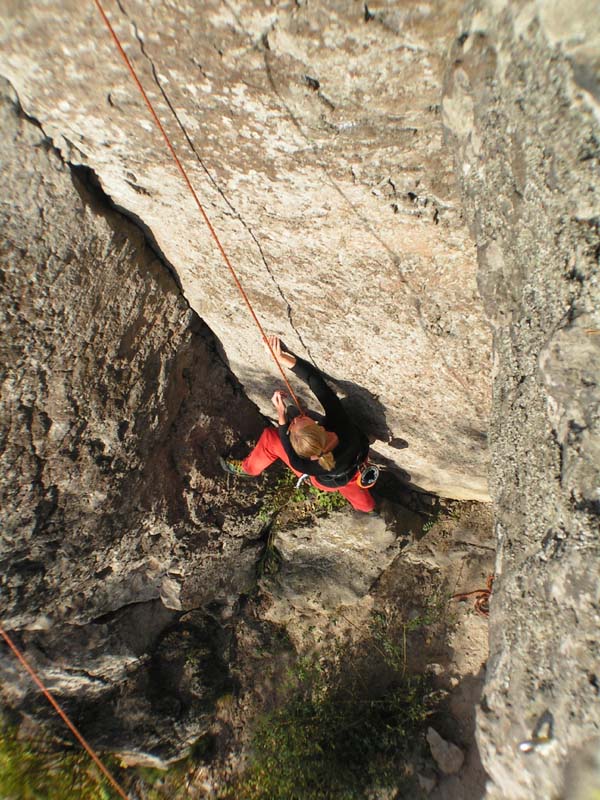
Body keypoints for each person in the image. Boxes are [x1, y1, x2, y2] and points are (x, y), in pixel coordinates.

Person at [220, 337, 376, 513]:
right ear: (320, 427)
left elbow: (286, 446)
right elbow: (315, 381)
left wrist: (281, 414)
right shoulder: (343, 428)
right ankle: (367, 507)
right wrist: (283, 358)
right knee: (366, 504)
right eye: (298, 421)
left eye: (292, 424)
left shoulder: (306, 467)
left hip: (336, 478)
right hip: (354, 471)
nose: (294, 419)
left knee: (271, 439)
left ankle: (249, 469)